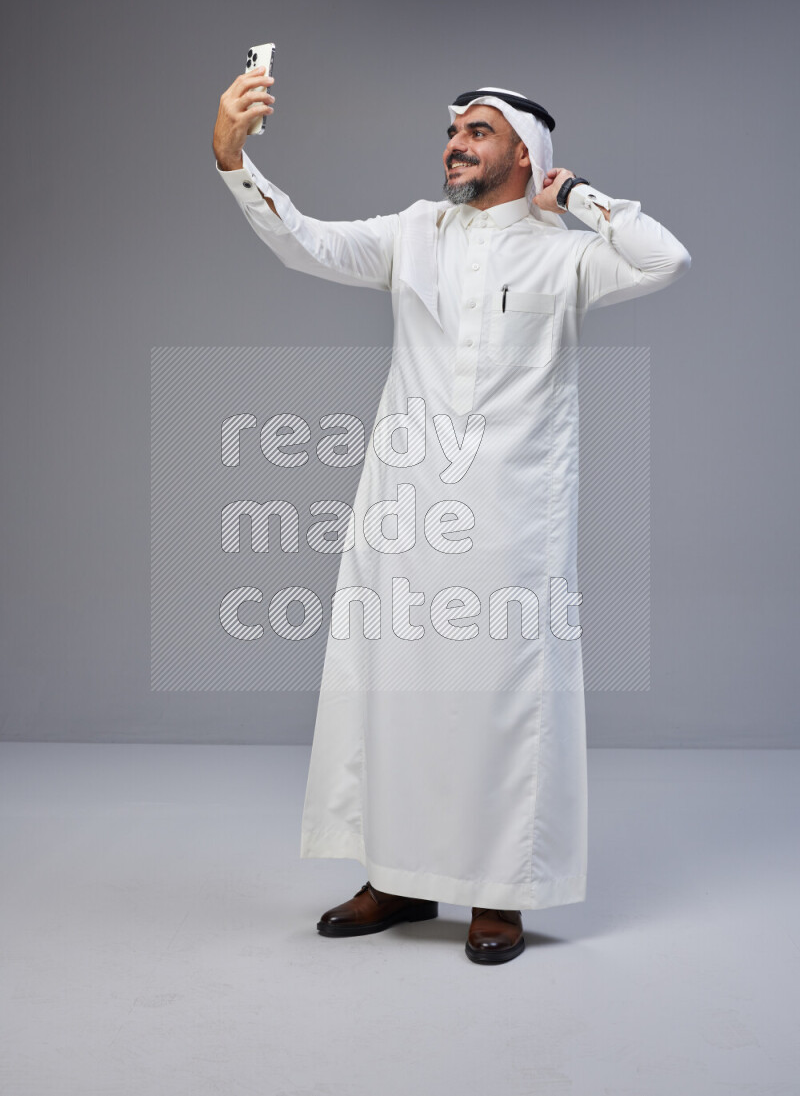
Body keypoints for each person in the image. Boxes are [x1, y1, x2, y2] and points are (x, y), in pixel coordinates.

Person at [212, 67, 691, 965]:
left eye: (478, 132)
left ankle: (498, 892)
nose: (456, 145)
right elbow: (305, 243)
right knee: (396, 686)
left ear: (523, 153)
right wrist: (237, 163)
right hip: (407, 505)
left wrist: (580, 198)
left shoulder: (566, 252)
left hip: (515, 509)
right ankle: (397, 875)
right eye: (454, 133)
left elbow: (666, 258)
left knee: (502, 698)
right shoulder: (414, 233)